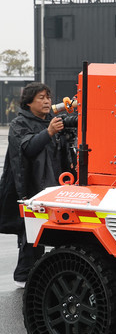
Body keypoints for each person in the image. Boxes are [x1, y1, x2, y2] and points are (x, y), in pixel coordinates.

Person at [0, 83, 67, 288]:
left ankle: (51, 273)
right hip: (31, 187)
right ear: (29, 102)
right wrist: (49, 132)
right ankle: (24, 276)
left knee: (59, 231)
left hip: (54, 185)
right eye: (41, 97)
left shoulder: (53, 121)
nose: (47, 101)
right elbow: (27, 148)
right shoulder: (19, 124)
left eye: (48, 97)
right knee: (31, 234)